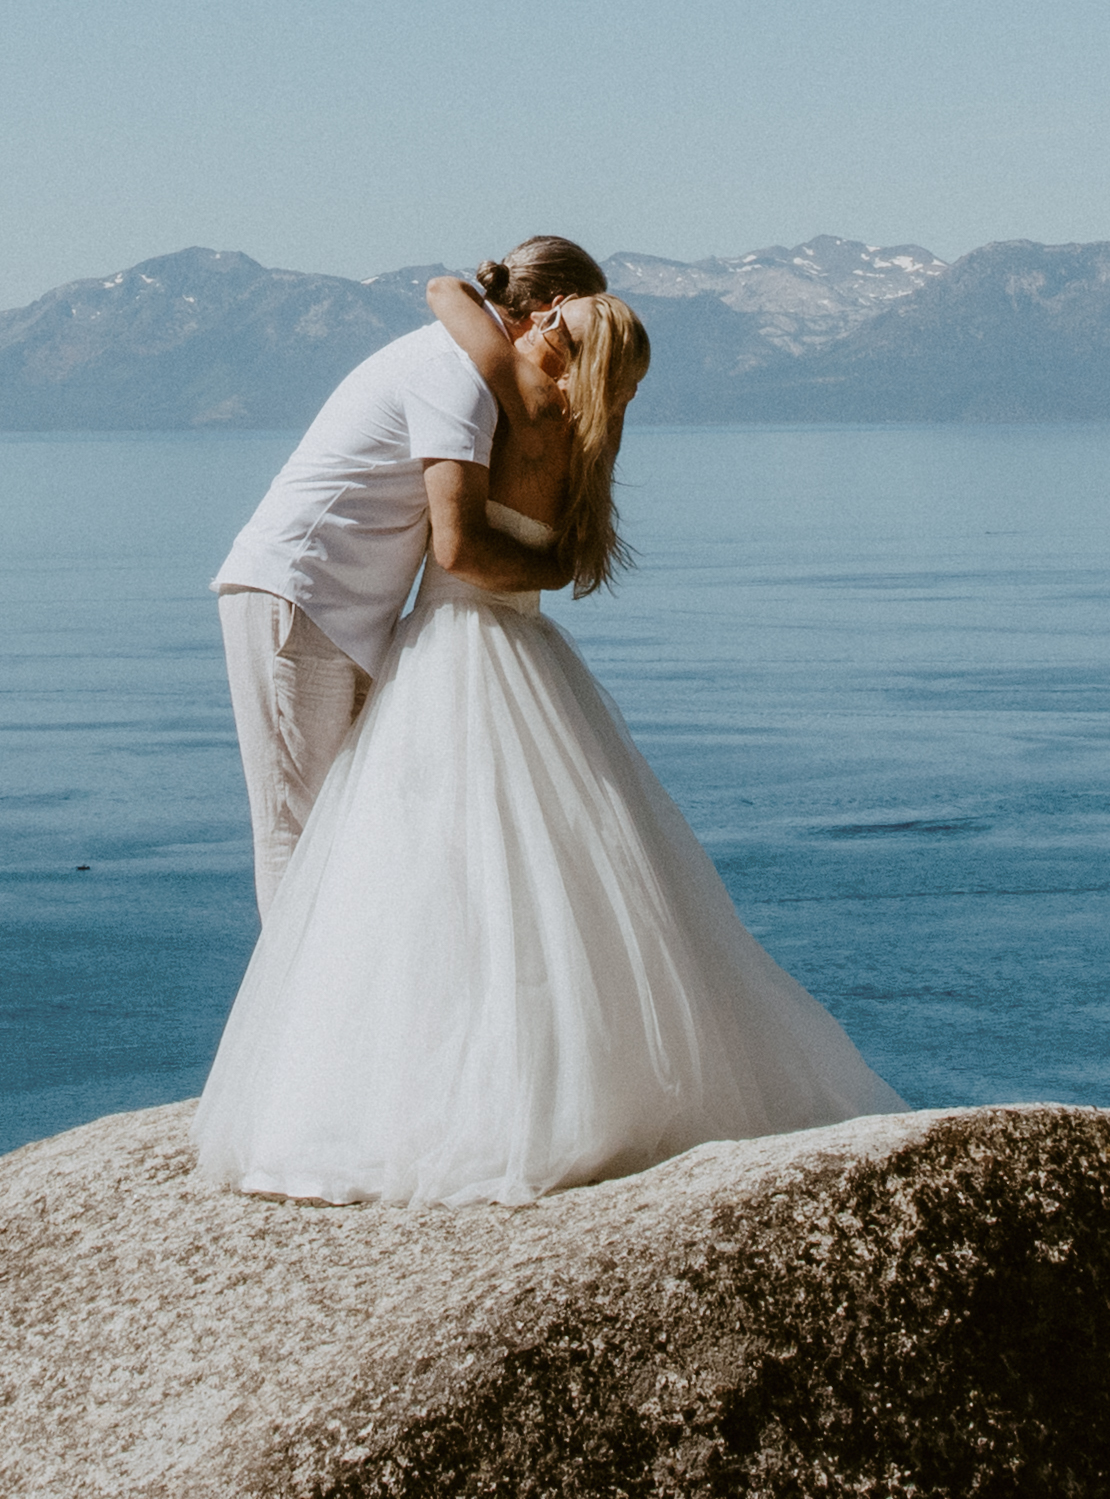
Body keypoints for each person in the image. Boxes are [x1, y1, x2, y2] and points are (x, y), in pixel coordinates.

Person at [193, 287, 898, 1204]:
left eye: (559, 323)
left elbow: (457, 526)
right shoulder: (580, 438)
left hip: (441, 642)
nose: (543, 319)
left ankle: (313, 1069)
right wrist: (557, 569)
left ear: (562, 352)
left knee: (355, 854)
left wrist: (477, 291)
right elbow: (558, 553)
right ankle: (522, 1068)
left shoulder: (504, 390)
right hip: (519, 646)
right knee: (533, 869)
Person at [208, 238, 600, 912]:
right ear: (551, 310)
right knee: (296, 828)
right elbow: (460, 547)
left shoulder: (470, 365)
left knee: (346, 825)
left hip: (344, 606)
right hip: (299, 594)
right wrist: (556, 566)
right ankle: (295, 1017)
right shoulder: (455, 376)